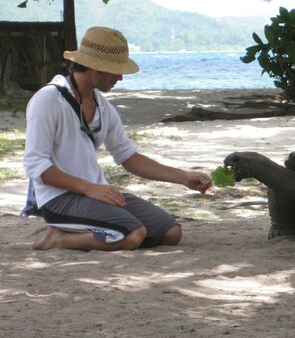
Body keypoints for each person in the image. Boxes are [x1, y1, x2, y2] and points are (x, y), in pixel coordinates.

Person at [23, 26, 212, 251]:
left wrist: (183, 177)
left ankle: (91, 230)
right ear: (96, 68)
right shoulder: (48, 100)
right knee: (133, 234)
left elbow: (128, 157)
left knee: (171, 233)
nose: (121, 77)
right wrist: (89, 188)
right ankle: (57, 239)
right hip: (59, 199)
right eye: (116, 70)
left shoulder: (104, 107)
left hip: (96, 194)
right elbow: (36, 165)